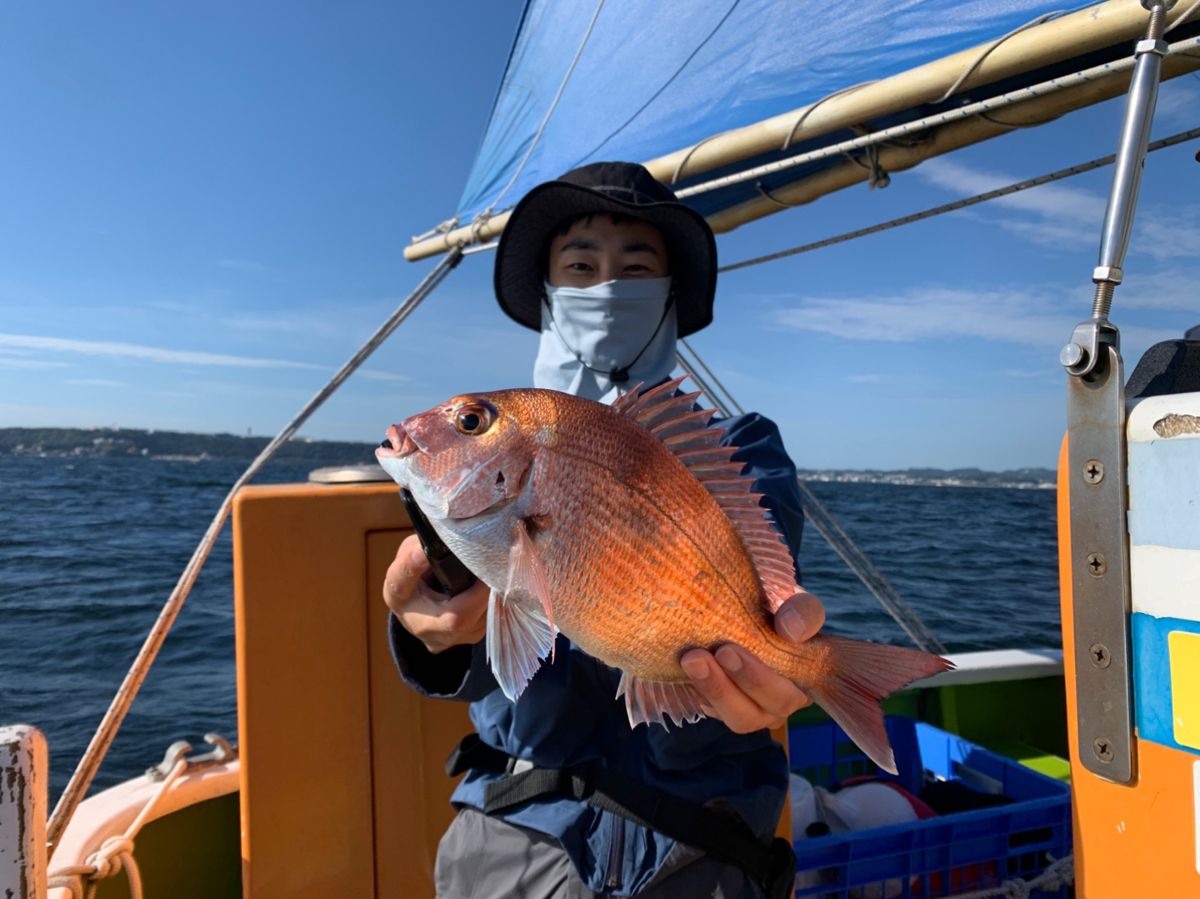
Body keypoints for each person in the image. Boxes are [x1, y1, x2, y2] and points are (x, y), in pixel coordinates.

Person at [383, 162, 824, 898]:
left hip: (697, 844)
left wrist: (781, 650)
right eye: (581, 263)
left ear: (670, 295)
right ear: (550, 291)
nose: (606, 285)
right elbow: (503, 630)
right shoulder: (498, 452)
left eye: (636, 266)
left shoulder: (741, 447)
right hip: (514, 827)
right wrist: (429, 625)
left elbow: (757, 592)